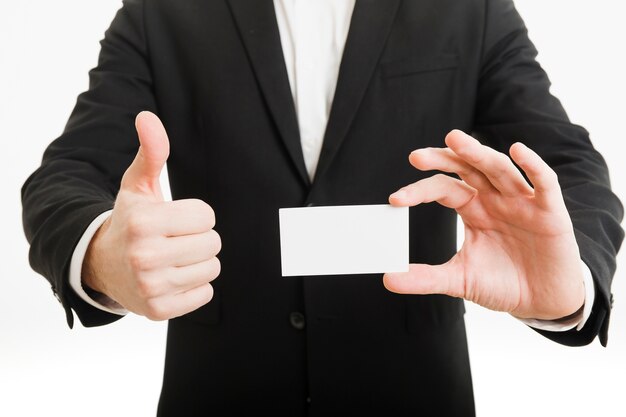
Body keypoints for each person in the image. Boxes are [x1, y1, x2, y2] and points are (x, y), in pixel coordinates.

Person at [21, 0, 623, 415]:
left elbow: (566, 166)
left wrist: (573, 282)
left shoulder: (471, 8)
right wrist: (100, 254)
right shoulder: (160, 12)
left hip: (413, 394)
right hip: (220, 394)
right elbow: (67, 174)